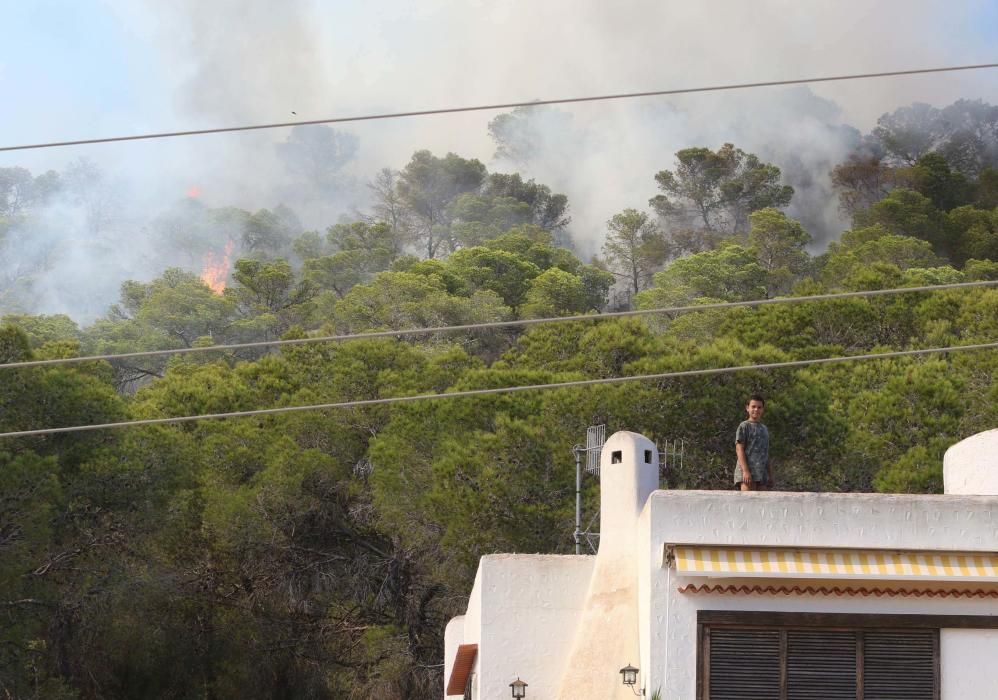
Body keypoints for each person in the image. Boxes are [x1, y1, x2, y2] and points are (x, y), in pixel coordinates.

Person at [733, 394, 772, 491]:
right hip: (747, 474)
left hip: (762, 474)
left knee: (762, 504)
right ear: (747, 408)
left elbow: (766, 453)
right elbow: (739, 449)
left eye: (759, 407)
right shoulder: (744, 426)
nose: (756, 410)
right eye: (753, 407)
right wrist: (746, 471)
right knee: (747, 503)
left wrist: (770, 475)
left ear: (763, 409)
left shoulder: (764, 429)